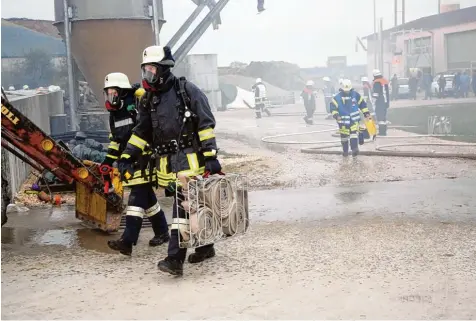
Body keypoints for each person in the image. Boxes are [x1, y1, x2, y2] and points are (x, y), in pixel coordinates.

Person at [118, 45, 222, 276]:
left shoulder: (187, 91)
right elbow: (141, 131)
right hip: (166, 163)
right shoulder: (148, 99)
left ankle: (175, 259)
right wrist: (127, 155)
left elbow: (205, 124)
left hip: (190, 161)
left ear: (164, 69)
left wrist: (211, 156)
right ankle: (205, 247)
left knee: (182, 208)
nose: (148, 75)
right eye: (145, 70)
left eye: (152, 69)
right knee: (192, 207)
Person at [102, 72, 170, 256]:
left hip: (143, 157)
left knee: (136, 197)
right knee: (147, 198)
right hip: (127, 159)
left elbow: (147, 125)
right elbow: (116, 139)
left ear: (123, 92)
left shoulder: (138, 104)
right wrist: (108, 161)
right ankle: (163, 231)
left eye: (114, 92)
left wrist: (138, 91)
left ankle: (128, 240)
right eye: (108, 93)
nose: (110, 97)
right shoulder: (114, 114)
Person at [330, 79, 370, 157]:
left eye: (348, 90)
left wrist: (366, 113)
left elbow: (362, 104)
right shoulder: (337, 98)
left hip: (353, 120)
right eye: (345, 90)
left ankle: (354, 149)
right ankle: (345, 151)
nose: (347, 91)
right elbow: (333, 108)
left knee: (353, 134)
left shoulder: (355, 95)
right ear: (341, 89)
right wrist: (336, 115)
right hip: (342, 122)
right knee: (344, 137)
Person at [372, 69, 390, 136]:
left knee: (380, 117)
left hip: (380, 101)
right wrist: (388, 102)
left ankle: (382, 132)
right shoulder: (384, 81)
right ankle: (384, 131)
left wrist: (373, 101)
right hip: (385, 101)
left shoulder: (377, 82)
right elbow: (387, 92)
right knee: (384, 117)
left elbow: (376, 94)